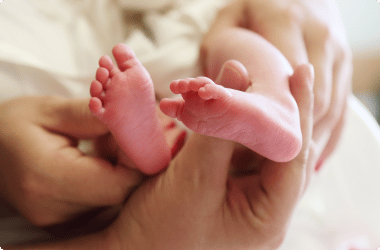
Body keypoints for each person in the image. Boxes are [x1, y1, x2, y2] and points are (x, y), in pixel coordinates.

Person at [0, 0, 351, 248]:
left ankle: (272, 103)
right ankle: (269, 103)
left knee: (230, 42)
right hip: (172, 196)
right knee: (229, 54)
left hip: (193, 88)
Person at [2, 63, 315, 249]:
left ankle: (141, 138)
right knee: (240, 48)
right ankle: (276, 100)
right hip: (171, 196)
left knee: (141, 163)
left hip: (172, 180)